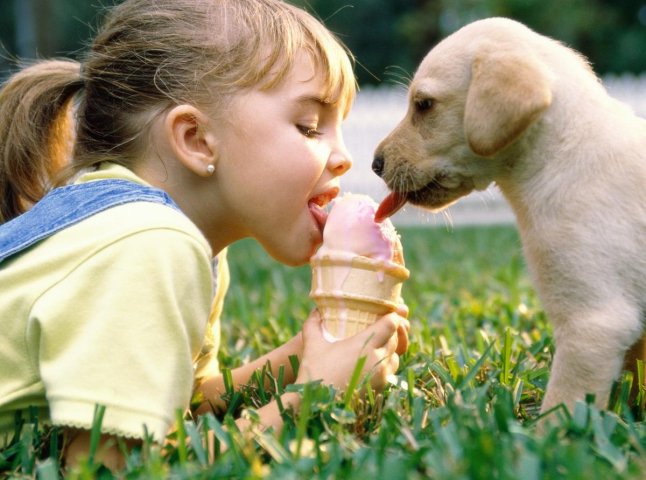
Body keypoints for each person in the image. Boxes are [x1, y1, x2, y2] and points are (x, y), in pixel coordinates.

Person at [0, 0, 409, 471]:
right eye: (309, 127)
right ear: (195, 138)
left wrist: (300, 357)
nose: (343, 157)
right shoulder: (147, 243)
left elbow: (187, 406)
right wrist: (312, 398)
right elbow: (109, 465)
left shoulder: (179, 242)